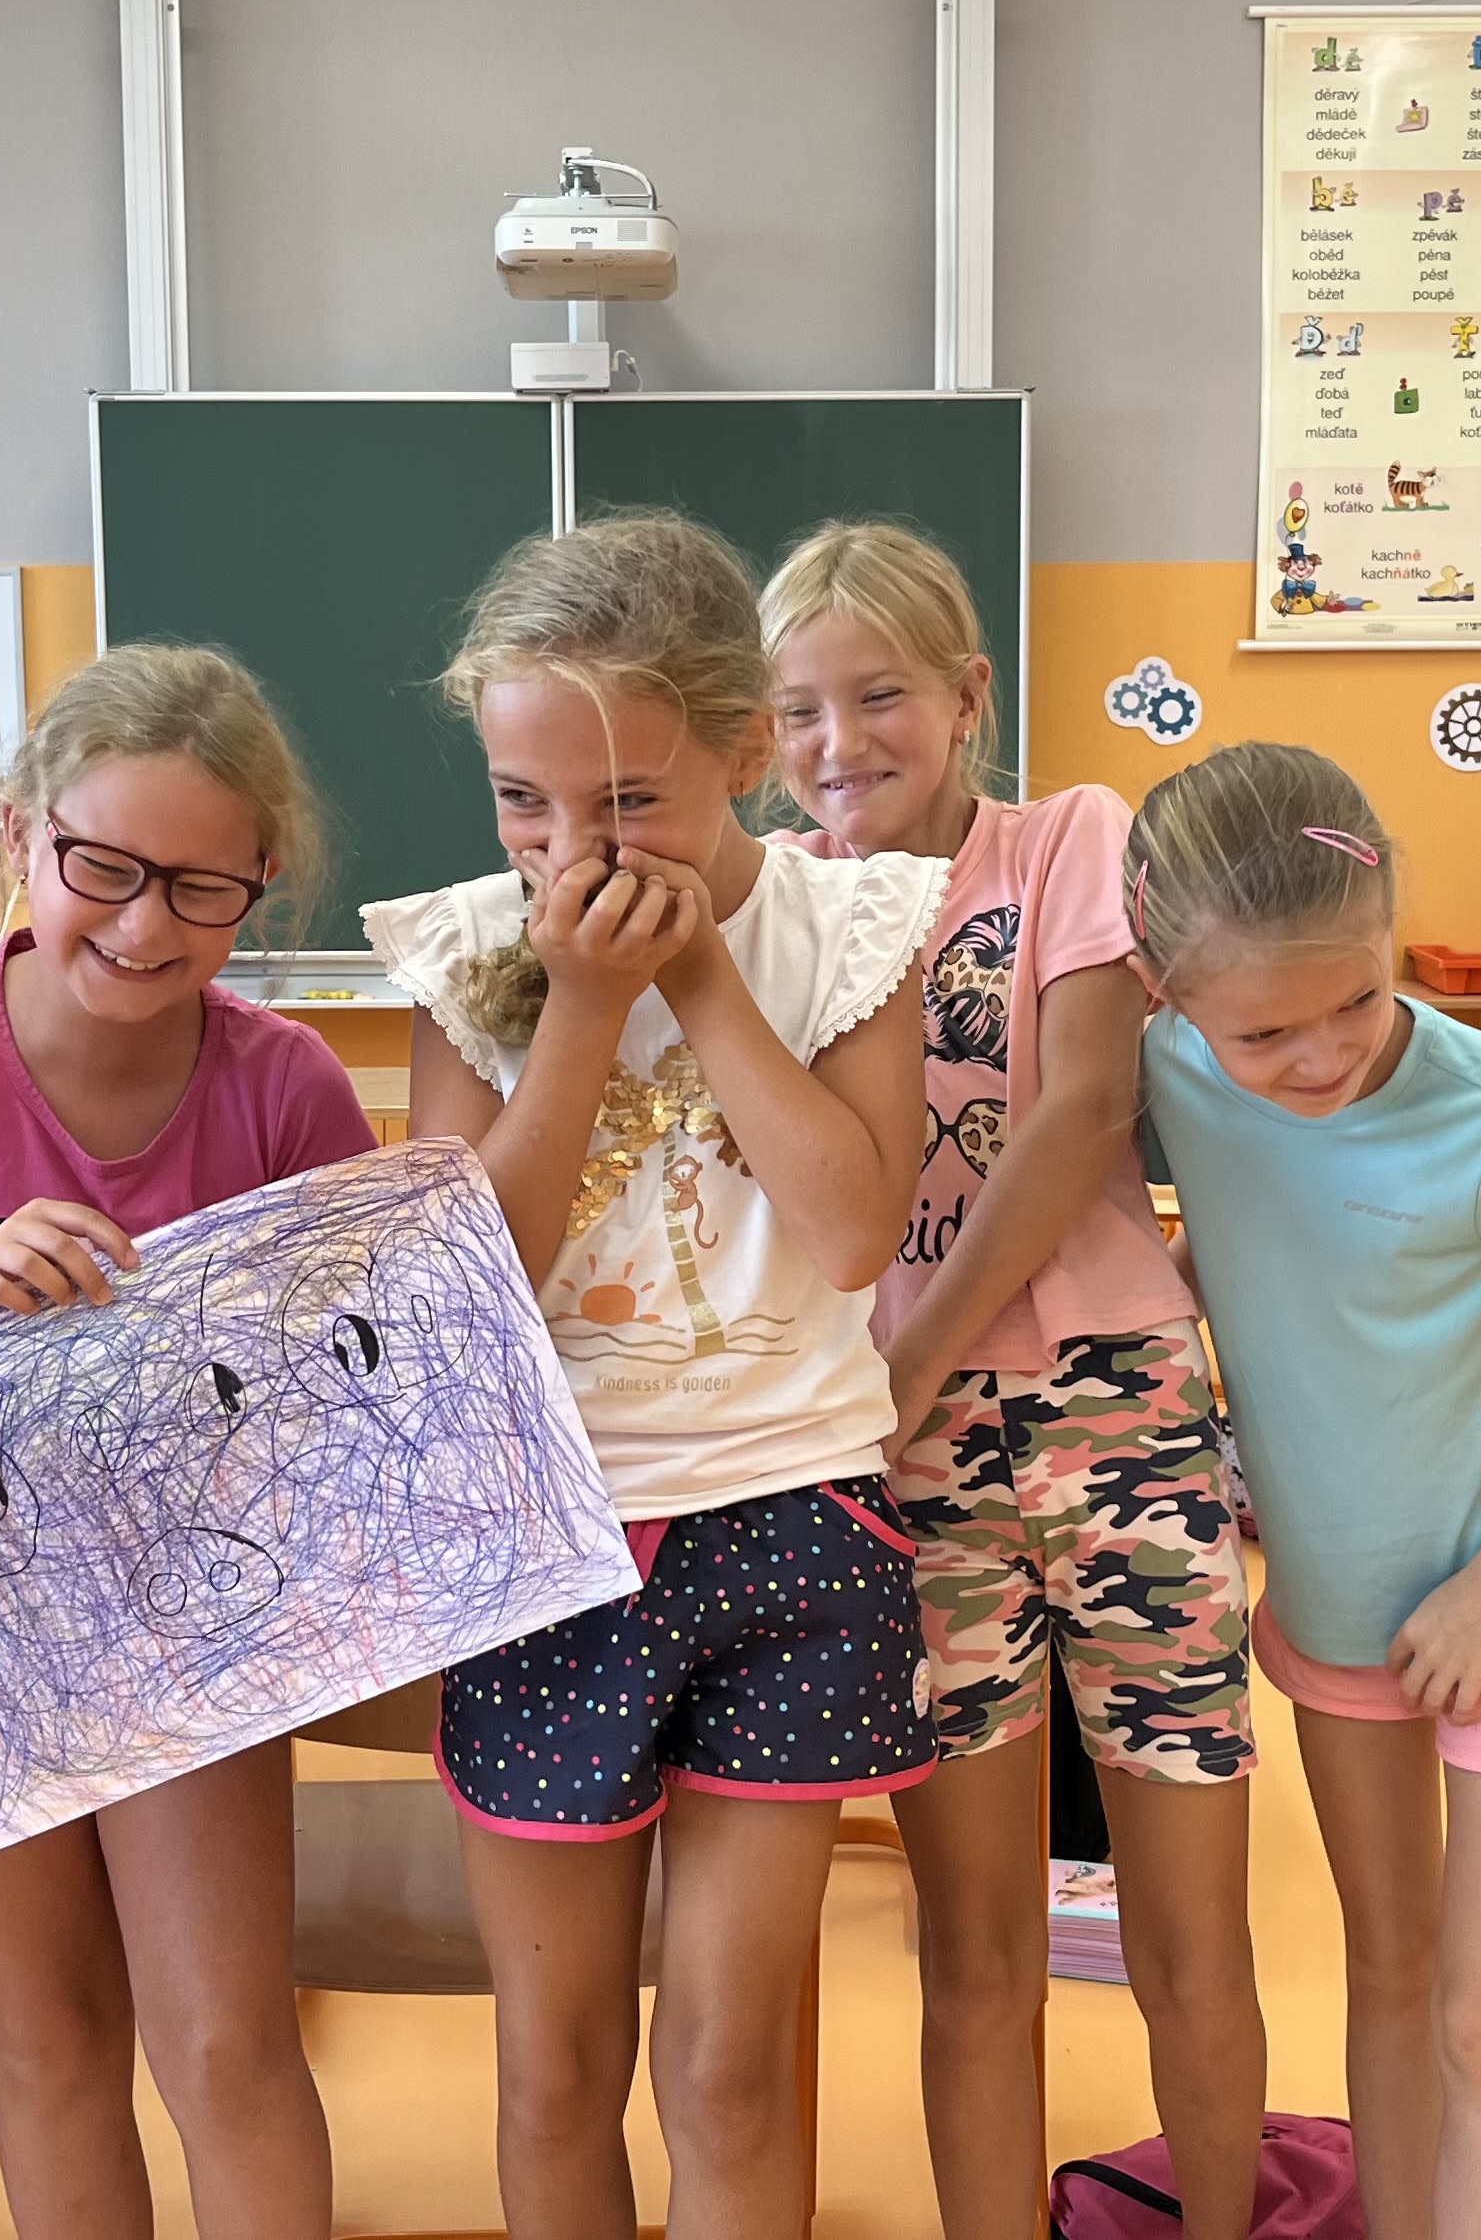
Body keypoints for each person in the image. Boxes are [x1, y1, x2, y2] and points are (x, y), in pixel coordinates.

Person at [364, 513, 946, 2240]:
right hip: (551, 1543)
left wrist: (692, 973)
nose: (567, 850)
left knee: (727, 2068)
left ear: (748, 750)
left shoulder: (853, 926)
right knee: (556, 2071)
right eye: (521, 801)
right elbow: (473, 1282)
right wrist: (576, 1005)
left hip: (796, 1523)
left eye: (626, 801)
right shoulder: (469, 952)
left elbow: (852, 1230)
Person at [0, 643, 369, 2240]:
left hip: (193, 1625)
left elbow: (352, 1374)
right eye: (102, 868)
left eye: (202, 889)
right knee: (47, 2046)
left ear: (262, 879)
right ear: (22, 831)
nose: (142, 927)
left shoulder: (285, 1085)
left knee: (225, 2044)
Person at [760, 522, 1263, 2240]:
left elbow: (1081, 1111)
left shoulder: (1067, 840)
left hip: (1116, 1414)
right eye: (798, 711)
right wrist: (885, 1397)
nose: (840, 745)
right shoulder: (774, 907)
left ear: (970, 695)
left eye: (881, 695)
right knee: (975, 1954)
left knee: (1193, 1940)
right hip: (902, 1463)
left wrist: (909, 1362)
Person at [1127, 743, 1481, 2240]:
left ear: (1394, 939)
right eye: (1266, 1033)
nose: (1321, 1058)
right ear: (1168, 995)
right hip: (1335, 1615)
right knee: (1385, 1969)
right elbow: (1242, 1233)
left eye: (1358, 1003)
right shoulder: (1173, 1069)